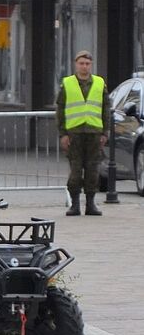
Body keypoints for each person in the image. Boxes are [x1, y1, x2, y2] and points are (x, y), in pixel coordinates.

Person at [56, 50, 109, 216]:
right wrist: (62, 134)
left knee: (93, 170)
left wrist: (105, 133)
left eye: (87, 63)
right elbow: (60, 110)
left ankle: (91, 204)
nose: (84, 67)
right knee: (76, 171)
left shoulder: (100, 83)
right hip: (74, 134)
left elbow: (105, 110)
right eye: (81, 63)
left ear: (91, 65)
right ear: (76, 64)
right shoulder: (68, 83)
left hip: (94, 133)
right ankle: (75, 205)